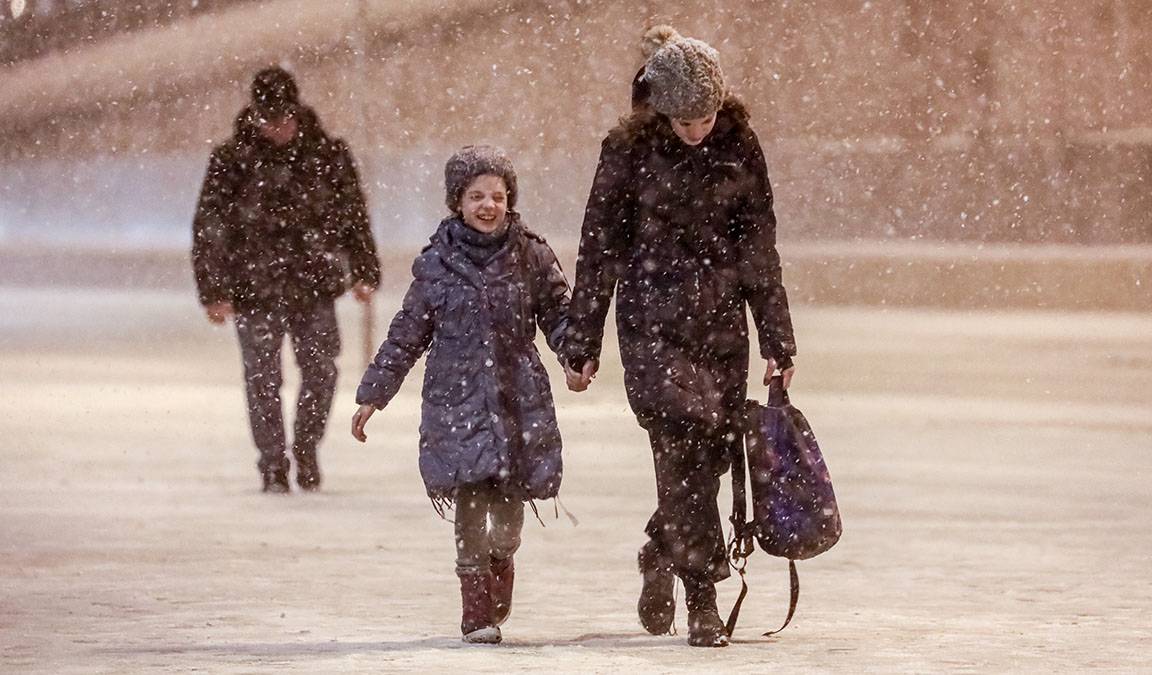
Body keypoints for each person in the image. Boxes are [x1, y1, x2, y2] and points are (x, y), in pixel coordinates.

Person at [563, 26, 797, 648]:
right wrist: (582, 343)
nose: (698, 129)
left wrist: (778, 339)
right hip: (651, 324)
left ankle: (659, 549)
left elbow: (758, 246)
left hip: (722, 325)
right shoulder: (626, 151)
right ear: (659, 110)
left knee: (712, 456)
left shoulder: (739, 144)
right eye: (685, 120)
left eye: (708, 116)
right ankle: (703, 597)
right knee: (680, 445)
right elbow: (599, 249)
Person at [350, 146, 571, 644]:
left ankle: (501, 560)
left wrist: (575, 358)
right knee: (471, 502)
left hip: (518, 398)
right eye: (477, 196)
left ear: (510, 200)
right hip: (457, 401)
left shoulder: (532, 254)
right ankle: (475, 610)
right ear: (458, 202)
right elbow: (407, 334)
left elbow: (559, 313)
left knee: (510, 515)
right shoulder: (436, 264)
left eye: (497, 195)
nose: (488, 205)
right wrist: (373, 395)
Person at [191, 66, 380, 493]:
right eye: (268, 119)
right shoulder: (231, 160)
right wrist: (213, 291)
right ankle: (273, 463)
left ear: (296, 112)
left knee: (320, 372)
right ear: (255, 114)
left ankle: (307, 447)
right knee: (262, 378)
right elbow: (210, 226)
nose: (277, 128)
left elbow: (353, 213)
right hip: (252, 287)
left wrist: (364, 270)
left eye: (283, 118)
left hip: (312, 283)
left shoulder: (327, 154)